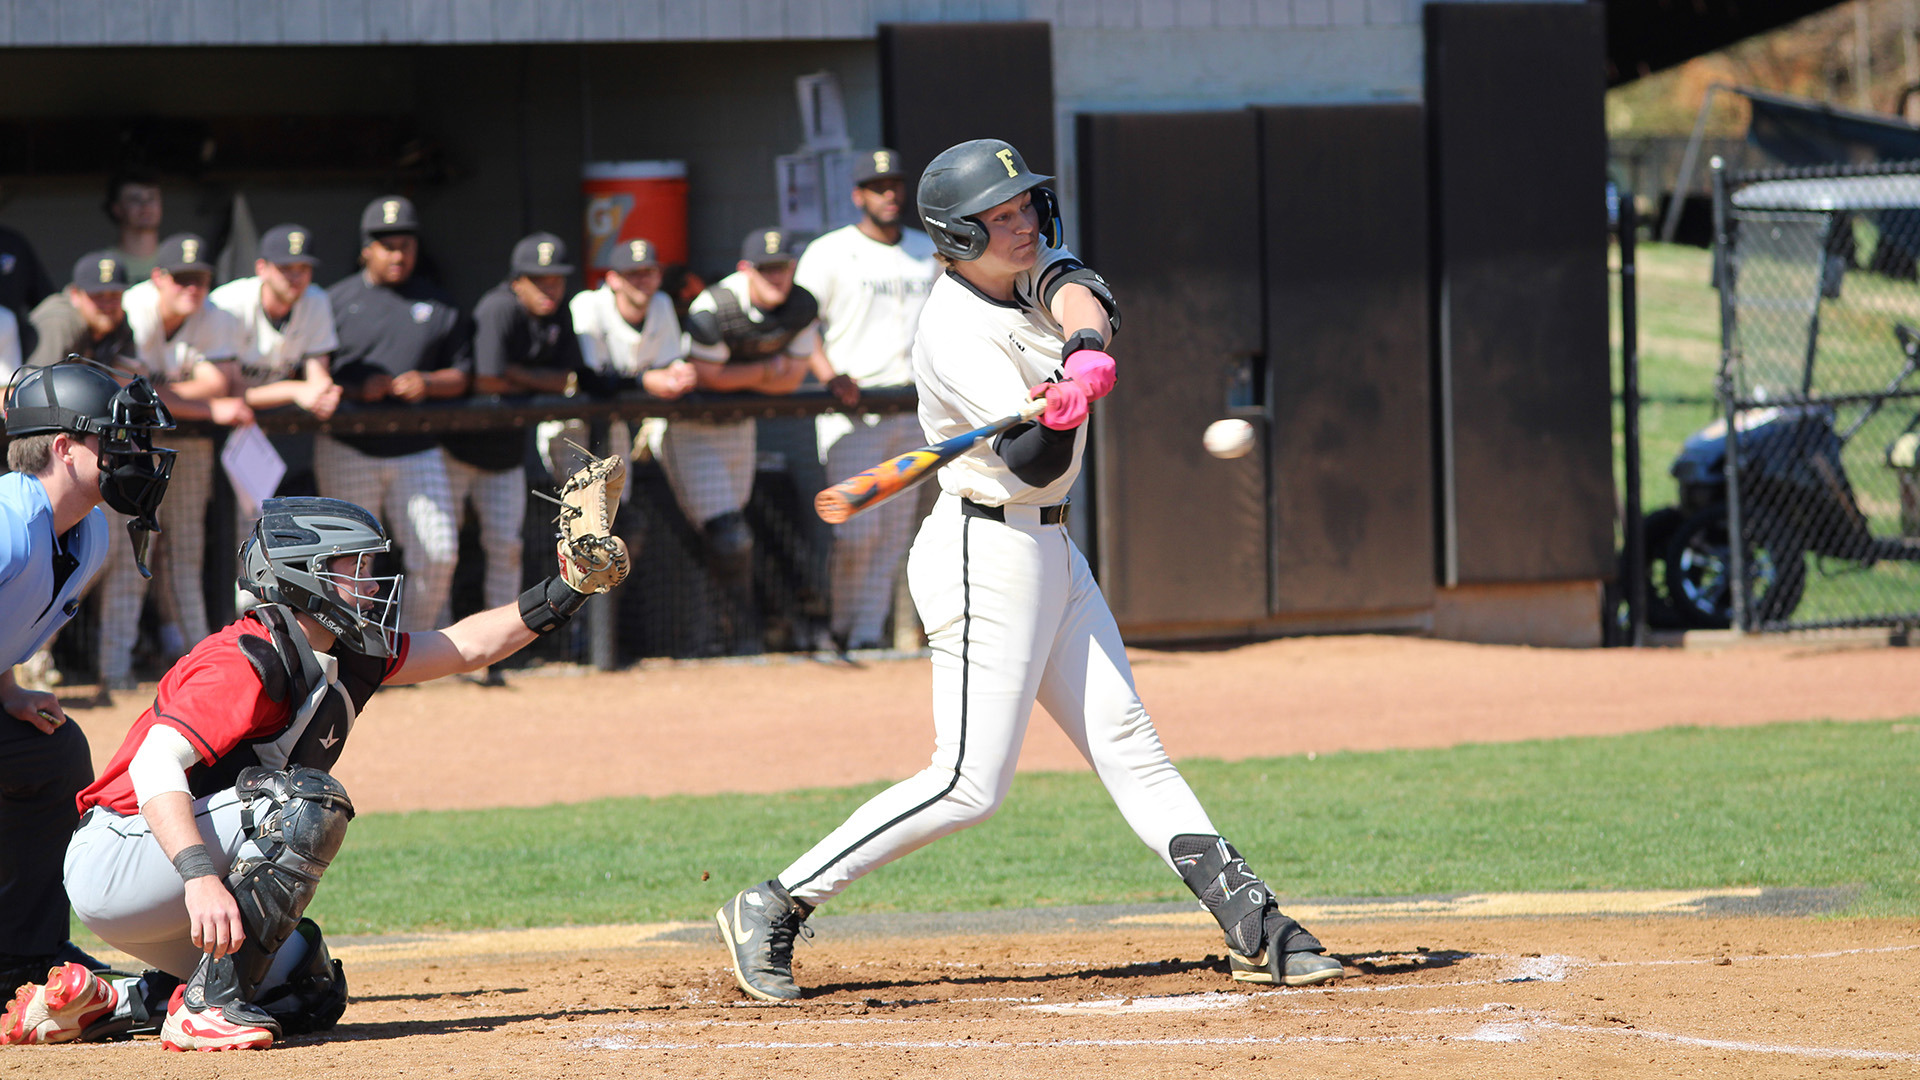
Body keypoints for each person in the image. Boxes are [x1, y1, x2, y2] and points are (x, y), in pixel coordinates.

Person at [714, 139, 1345, 1002]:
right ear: (957, 236)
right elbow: (1036, 465)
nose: (1019, 229)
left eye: (1022, 211)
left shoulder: (1029, 266)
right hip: (984, 548)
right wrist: (1057, 411)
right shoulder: (949, 331)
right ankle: (773, 902)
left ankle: (1255, 924)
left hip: (1049, 548)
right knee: (970, 784)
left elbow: (1078, 288)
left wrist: (1081, 348)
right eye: (996, 219)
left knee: (1132, 746)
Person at [22, 472, 627, 1050]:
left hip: (166, 863)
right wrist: (200, 877)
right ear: (303, 577)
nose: (370, 582)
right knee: (309, 801)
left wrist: (568, 587)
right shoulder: (244, 657)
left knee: (307, 989)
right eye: (353, 567)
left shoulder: (341, 650)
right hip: (123, 855)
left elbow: (468, 646)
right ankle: (205, 1012)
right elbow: (154, 766)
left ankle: (111, 1001)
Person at [0, 361, 174, 1013]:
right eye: (117, 441)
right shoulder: (7, 524)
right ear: (66, 449)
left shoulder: (90, 532)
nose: (135, 456)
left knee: (51, 750)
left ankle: (23, 950)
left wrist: (8, 689)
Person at [796, 148, 941, 653]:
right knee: (856, 533)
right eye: (877, 187)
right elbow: (802, 325)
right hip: (854, 412)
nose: (889, 194)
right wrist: (828, 375)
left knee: (893, 536)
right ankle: (840, 628)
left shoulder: (927, 250)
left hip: (911, 408)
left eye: (895, 185)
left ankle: (865, 638)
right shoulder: (830, 252)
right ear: (858, 195)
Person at [100, 234, 253, 692]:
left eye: (200, 279)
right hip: (128, 446)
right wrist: (203, 405)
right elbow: (128, 391)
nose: (192, 288)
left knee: (187, 553)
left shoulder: (215, 315)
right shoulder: (135, 307)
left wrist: (170, 395)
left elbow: (221, 382)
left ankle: (202, 672)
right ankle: (103, 668)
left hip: (187, 445)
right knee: (122, 554)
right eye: (182, 279)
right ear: (159, 278)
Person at [440, 232, 587, 682]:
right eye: (538, 281)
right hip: (456, 450)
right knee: (440, 553)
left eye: (557, 280)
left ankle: (493, 656)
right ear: (518, 281)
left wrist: (519, 377)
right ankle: (436, 653)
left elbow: (570, 376)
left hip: (505, 453)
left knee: (506, 550)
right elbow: (487, 380)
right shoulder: (498, 307)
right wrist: (537, 381)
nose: (550, 289)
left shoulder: (558, 311)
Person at [320, 195, 467, 633]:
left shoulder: (438, 302)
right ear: (366, 248)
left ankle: (409, 646)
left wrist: (428, 382)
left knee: (439, 552)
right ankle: (345, 650)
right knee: (345, 564)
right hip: (350, 443)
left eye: (405, 244)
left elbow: (464, 375)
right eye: (387, 245)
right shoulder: (334, 300)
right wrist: (355, 387)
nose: (398, 253)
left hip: (415, 446)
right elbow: (309, 374)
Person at [668, 228, 814, 652]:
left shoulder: (802, 304)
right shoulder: (715, 306)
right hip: (692, 431)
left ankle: (724, 634)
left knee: (732, 537)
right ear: (745, 270)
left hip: (740, 427)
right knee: (727, 533)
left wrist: (744, 378)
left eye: (782, 268)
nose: (776, 277)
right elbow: (708, 377)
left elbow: (792, 381)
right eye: (765, 269)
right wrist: (767, 370)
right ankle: (732, 639)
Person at [208, 224, 342, 547]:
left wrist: (326, 392)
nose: (296, 277)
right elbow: (221, 391)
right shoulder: (227, 303)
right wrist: (295, 390)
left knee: (263, 536)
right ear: (262, 268)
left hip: (263, 436)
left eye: (303, 268)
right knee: (213, 538)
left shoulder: (316, 300)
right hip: (212, 433)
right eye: (285, 268)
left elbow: (317, 377)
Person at [562, 237, 693, 486]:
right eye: (633, 273)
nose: (643, 280)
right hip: (572, 422)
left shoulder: (661, 303)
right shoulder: (589, 305)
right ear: (613, 279)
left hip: (616, 417)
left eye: (649, 272)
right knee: (580, 507)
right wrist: (645, 380)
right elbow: (590, 379)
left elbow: (669, 363)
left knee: (617, 503)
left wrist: (680, 374)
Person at [23, 252, 136, 372]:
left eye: (114, 295)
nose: (107, 305)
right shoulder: (59, 323)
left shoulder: (118, 320)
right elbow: (36, 384)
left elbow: (129, 376)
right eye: (98, 295)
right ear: (75, 295)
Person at [104, 171, 164, 284]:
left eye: (151, 198)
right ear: (117, 208)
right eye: (135, 199)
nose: (145, 206)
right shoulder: (104, 264)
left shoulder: (176, 259)